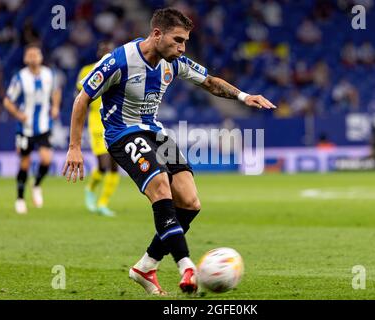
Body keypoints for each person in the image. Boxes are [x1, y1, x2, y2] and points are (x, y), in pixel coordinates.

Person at [63, 8, 275, 295]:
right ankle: (187, 267)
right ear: (157, 34)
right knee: (161, 187)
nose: (182, 47)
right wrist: (75, 147)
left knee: (190, 202)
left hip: (155, 133)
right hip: (122, 133)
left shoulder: (173, 62)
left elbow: (210, 82)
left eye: (185, 41)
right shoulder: (118, 60)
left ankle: (145, 266)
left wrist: (243, 96)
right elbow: (82, 99)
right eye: (178, 40)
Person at [3, 43, 61, 214]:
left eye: (36, 54)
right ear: (25, 59)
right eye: (30, 54)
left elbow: (56, 91)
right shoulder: (20, 77)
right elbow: (7, 100)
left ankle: (36, 185)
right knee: (25, 164)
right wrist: (18, 114)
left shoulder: (49, 74)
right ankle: (20, 198)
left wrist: (55, 106)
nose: (34, 57)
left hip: (43, 126)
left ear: (41, 57)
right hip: (25, 128)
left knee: (46, 160)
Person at [76, 41, 120, 217]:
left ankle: (103, 203)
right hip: (96, 123)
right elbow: (81, 97)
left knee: (115, 166)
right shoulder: (87, 71)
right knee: (103, 165)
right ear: (99, 54)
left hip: (115, 123)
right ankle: (90, 189)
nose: (106, 54)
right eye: (103, 51)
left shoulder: (121, 69)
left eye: (109, 51)